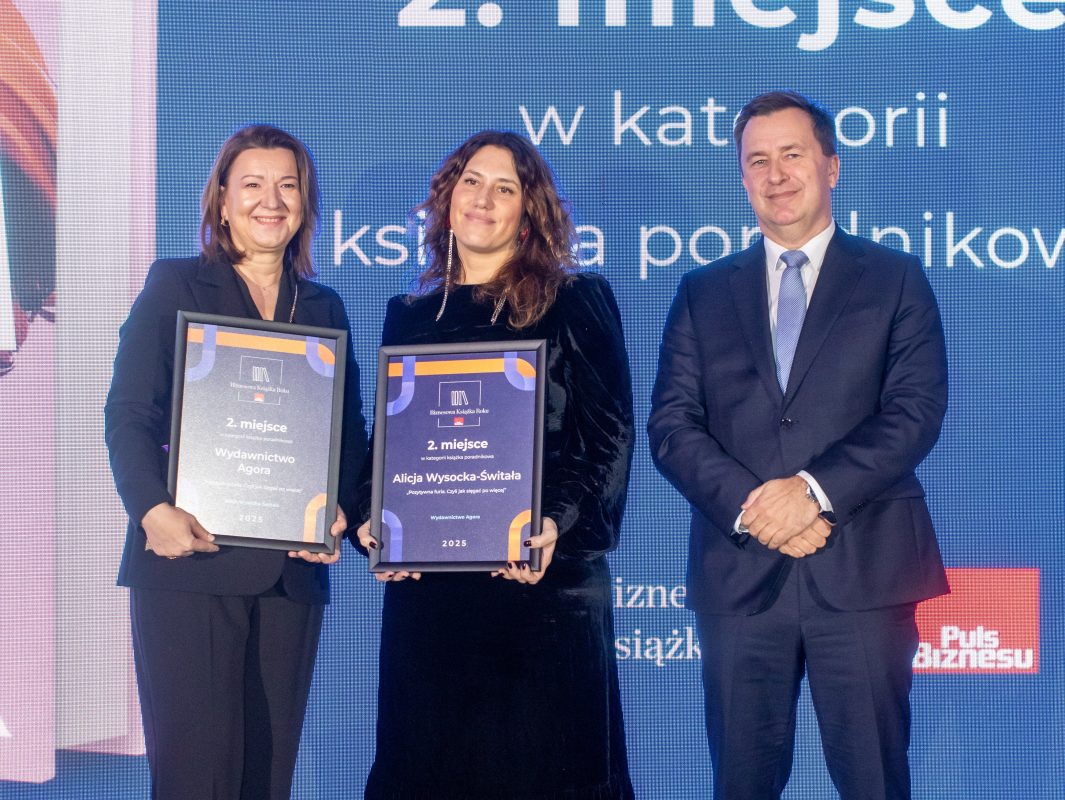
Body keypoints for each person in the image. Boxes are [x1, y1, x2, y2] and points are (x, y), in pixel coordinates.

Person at [648, 91, 949, 799]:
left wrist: (811, 494)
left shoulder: (895, 278)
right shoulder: (700, 292)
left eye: (792, 155)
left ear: (831, 167)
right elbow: (671, 425)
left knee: (875, 782)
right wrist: (758, 509)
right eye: (758, 161)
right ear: (742, 178)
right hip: (740, 579)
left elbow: (914, 412)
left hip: (864, 571)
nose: (776, 174)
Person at [352, 130, 635, 799]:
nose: (482, 199)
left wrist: (554, 524)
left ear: (527, 212)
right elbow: (387, 446)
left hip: (542, 595)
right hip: (432, 603)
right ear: (447, 200)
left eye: (504, 188)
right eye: (471, 182)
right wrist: (370, 519)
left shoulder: (574, 299)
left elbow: (609, 438)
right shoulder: (409, 316)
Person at [105, 124, 367, 800]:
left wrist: (341, 509)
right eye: (252, 184)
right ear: (221, 200)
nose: (270, 201)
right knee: (196, 778)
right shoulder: (175, 285)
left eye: (287, 186)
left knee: (266, 780)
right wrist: (151, 510)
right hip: (188, 564)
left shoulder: (324, 306)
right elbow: (129, 413)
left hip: (290, 577)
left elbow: (349, 436)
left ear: (305, 204)